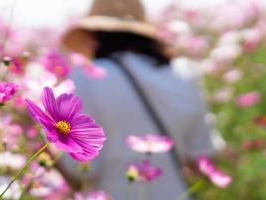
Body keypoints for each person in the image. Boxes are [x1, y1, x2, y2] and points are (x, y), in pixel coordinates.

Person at [59, 0, 215, 199]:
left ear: (94, 36)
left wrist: (46, 147)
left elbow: (80, 169)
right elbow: (201, 155)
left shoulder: (86, 77)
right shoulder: (184, 74)